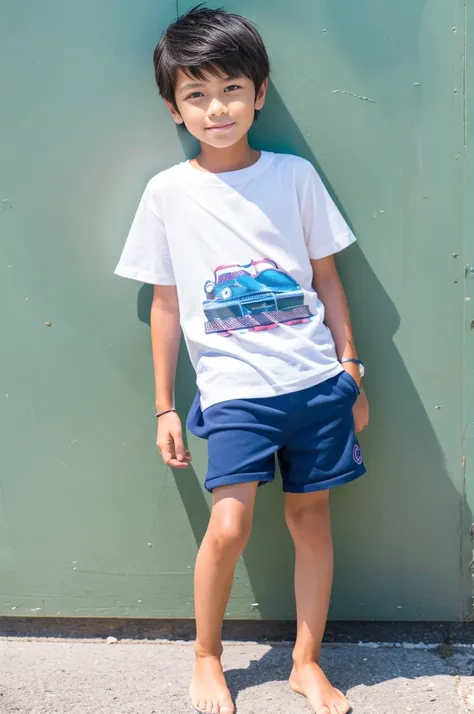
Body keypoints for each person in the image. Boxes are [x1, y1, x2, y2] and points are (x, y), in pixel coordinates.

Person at [115, 5, 369, 713]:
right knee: (228, 525)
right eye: (196, 94)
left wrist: (351, 369)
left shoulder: (294, 178)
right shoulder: (167, 194)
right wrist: (165, 403)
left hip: (315, 381)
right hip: (233, 392)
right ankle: (206, 656)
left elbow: (326, 279)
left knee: (310, 518)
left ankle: (305, 663)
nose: (216, 107)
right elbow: (164, 306)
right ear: (174, 109)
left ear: (260, 92)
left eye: (231, 88)